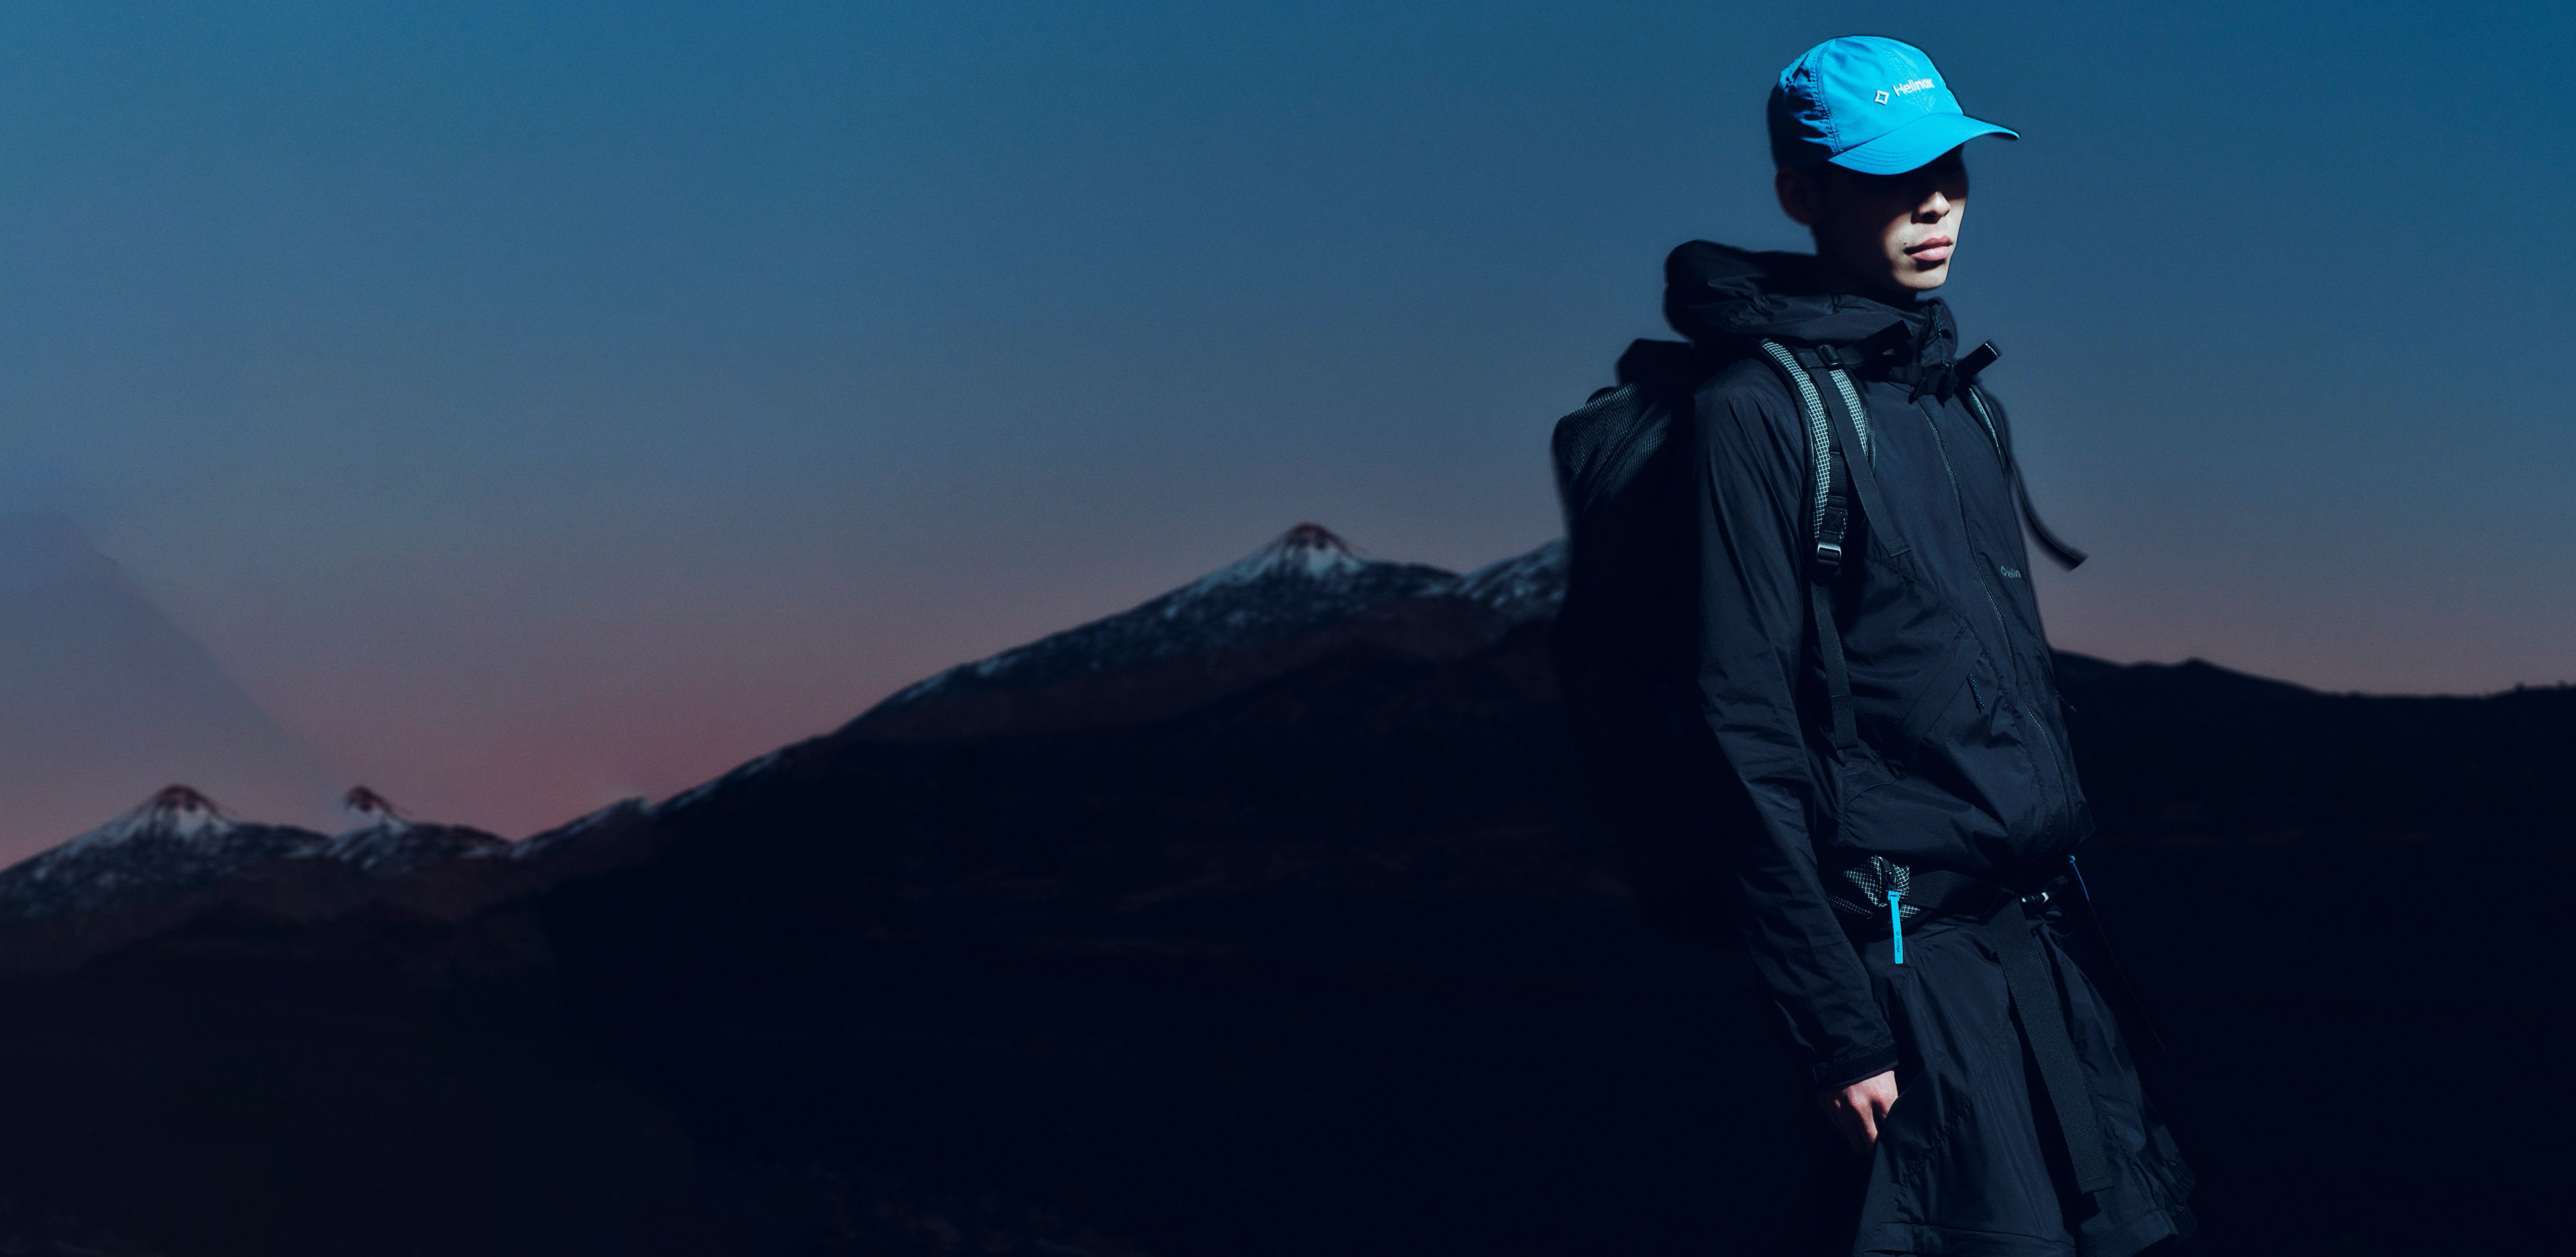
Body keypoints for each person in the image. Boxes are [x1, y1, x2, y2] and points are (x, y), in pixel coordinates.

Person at [1663, 35, 2200, 1255]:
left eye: (1951, 167)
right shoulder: (1753, 413)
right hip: (1910, 972)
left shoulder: (1963, 402)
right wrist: (1838, 1029)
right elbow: (1741, 734)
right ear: (1802, 196)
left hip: (2043, 948)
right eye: (1890, 176)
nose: (1934, 201)